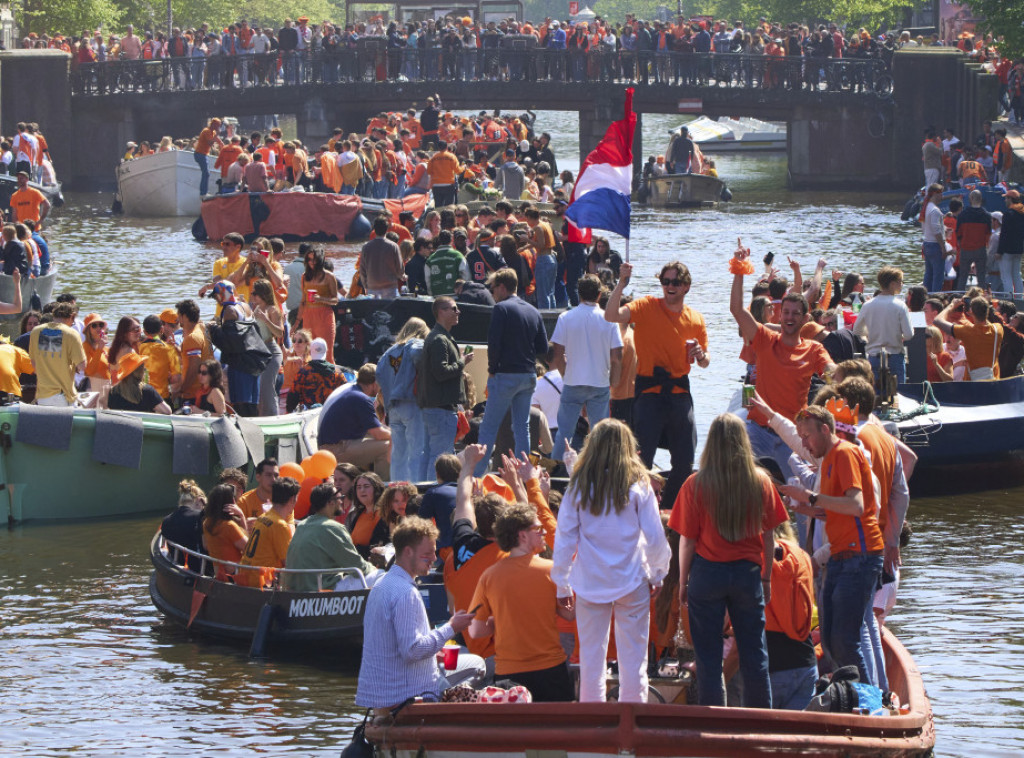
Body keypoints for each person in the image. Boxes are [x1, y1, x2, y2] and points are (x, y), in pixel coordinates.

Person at [672, 414, 787, 708]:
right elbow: (769, 537)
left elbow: (687, 541)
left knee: (708, 657)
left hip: (707, 574)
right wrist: (766, 578)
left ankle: (714, 722)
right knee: (755, 654)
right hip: (748, 575)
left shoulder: (695, 484)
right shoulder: (760, 482)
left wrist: (683, 582)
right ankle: (760, 721)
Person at [551, 418, 670, 702]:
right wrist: (658, 573)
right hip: (632, 580)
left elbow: (565, 539)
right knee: (635, 661)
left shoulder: (578, 486)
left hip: (590, 583)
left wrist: (562, 585)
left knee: (591, 661)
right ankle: (633, 719)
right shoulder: (639, 484)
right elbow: (655, 537)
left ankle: (594, 720)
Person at [780, 405, 885, 684]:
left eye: (807, 436)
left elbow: (856, 505)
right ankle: (852, 692)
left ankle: (869, 698)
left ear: (825, 430)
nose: (804, 444)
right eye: (801, 438)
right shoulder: (827, 460)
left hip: (860, 555)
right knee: (828, 637)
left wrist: (810, 496)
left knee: (845, 639)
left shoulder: (844, 453)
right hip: (840, 554)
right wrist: (801, 507)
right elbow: (834, 512)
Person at [605, 261, 709, 509]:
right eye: (665, 282)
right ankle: (635, 506)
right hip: (649, 393)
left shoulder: (696, 318)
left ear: (686, 286)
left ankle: (669, 509)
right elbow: (611, 315)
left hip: (679, 392)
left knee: (685, 459)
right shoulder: (646, 306)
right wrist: (621, 283)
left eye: (675, 282)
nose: (669, 286)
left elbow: (705, 362)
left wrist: (701, 354)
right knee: (642, 457)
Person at [355, 517, 485, 708]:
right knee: (479, 665)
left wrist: (435, 651)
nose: (434, 558)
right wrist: (451, 627)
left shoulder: (380, 585)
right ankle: (439, 711)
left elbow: (398, 645)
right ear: (408, 551)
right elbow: (412, 651)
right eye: (428, 554)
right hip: (404, 694)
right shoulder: (406, 593)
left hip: (379, 692)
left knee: (471, 663)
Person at [729, 243, 832, 479]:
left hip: (794, 435)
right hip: (759, 432)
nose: (789, 317)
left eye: (795, 313)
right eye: (786, 312)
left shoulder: (813, 349)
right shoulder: (765, 338)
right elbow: (736, 309)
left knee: (800, 489)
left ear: (805, 318)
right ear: (780, 314)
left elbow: (830, 370)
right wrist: (739, 268)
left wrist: (836, 375)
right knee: (747, 483)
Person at [469, 501, 574, 702]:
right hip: (551, 671)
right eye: (538, 529)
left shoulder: (489, 576)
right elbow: (569, 613)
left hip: (508, 673)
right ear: (522, 535)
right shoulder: (553, 571)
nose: (544, 532)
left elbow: (475, 630)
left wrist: (499, 620)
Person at [474, 268, 549, 476]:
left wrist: (492, 370)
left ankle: (476, 476)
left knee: (488, 428)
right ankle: (524, 474)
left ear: (501, 287)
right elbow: (543, 347)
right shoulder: (533, 311)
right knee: (522, 427)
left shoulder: (501, 309)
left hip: (505, 375)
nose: (492, 294)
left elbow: (494, 343)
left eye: (492, 289)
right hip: (528, 374)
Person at [549, 274, 623, 462]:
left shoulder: (565, 317)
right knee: (601, 433)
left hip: (573, 382)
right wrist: (613, 381)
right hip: (600, 383)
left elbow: (557, 356)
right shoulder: (609, 320)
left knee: (564, 433)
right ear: (599, 295)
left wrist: (566, 375)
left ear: (579, 294)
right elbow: (616, 357)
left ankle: (556, 468)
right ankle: (602, 467)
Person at [285, 483, 380, 591]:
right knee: (380, 575)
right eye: (340, 498)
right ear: (330, 502)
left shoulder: (302, 525)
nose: (341, 502)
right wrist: (374, 568)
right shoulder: (333, 528)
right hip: (324, 588)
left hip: (297, 590)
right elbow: (356, 565)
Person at [419, 297, 471, 479]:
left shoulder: (438, 337)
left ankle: (425, 490)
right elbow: (441, 372)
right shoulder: (440, 340)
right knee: (440, 457)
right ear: (441, 312)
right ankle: (435, 490)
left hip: (434, 408)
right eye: (454, 309)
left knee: (429, 456)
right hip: (441, 409)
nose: (458, 312)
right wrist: (462, 362)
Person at [377, 318, 428, 483]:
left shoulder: (388, 352)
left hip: (393, 407)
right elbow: (418, 353)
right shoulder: (416, 343)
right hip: (411, 402)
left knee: (398, 454)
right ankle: (416, 487)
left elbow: (378, 374)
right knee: (417, 450)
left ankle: (396, 488)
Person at [318, 363, 391, 478]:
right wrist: (397, 435)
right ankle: (382, 485)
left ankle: (363, 478)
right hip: (336, 450)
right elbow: (378, 434)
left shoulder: (351, 392)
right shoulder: (361, 399)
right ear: (375, 383)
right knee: (387, 446)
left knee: (379, 440)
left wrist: (390, 431)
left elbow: (375, 428)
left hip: (331, 447)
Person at [852, 266, 914, 386]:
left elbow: (857, 330)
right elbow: (909, 334)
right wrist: (898, 335)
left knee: (875, 392)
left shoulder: (867, 305)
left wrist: (872, 332)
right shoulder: (900, 306)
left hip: (874, 356)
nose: (902, 284)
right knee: (898, 392)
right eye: (900, 281)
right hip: (895, 355)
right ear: (892, 284)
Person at [237, 476, 302, 588]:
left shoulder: (263, 516)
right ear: (292, 499)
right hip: (259, 584)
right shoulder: (279, 525)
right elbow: (289, 563)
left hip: (245, 577)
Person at [29, 300, 86, 406]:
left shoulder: (36, 331)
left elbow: (34, 363)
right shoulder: (71, 334)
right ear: (72, 316)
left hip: (43, 396)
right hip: (64, 395)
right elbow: (82, 366)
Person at [933, 296, 1002, 380]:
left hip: (972, 382)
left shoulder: (967, 331)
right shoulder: (998, 329)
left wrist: (951, 305)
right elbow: (985, 322)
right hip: (993, 380)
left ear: (970, 312)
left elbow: (937, 320)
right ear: (987, 310)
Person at [296, 245, 340, 364]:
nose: (312, 262)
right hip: (308, 316)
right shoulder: (305, 276)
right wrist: (296, 323)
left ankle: (331, 375)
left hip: (324, 315)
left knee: (327, 353)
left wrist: (321, 299)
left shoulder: (329, 276)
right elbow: (303, 301)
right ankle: (312, 375)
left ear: (321, 260)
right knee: (308, 353)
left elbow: (335, 300)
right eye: (309, 259)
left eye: (315, 259)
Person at [249, 280, 284, 417]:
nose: (252, 295)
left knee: (267, 388)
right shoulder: (257, 308)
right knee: (259, 389)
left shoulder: (272, 309)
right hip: (259, 352)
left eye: (255, 293)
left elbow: (280, 333)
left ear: (263, 294)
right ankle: (261, 416)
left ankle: (273, 417)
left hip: (271, 351)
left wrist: (266, 320)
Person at [416, 454, 460, 559]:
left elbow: (420, 525)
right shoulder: (470, 490)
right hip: (472, 549)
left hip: (447, 551)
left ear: (437, 474)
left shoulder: (433, 493)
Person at [201, 483, 250, 577]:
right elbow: (249, 549)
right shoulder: (229, 526)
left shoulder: (206, 523)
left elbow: (205, 545)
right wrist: (241, 515)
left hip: (218, 574)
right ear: (231, 502)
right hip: (235, 576)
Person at [104, 353, 171, 414]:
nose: (145, 369)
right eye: (143, 368)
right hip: (141, 423)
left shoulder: (113, 391)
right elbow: (167, 411)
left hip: (120, 423)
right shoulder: (147, 390)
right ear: (140, 371)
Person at [175, 298, 212, 407]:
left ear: (184, 317)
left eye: (179, 315)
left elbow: (194, 367)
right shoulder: (202, 327)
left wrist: (182, 389)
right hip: (206, 388)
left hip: (194, 393)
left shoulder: (192, 338)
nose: (177, 319)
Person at [955, 189, 992, 292]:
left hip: (965, 248)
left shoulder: (962, 215)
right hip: (980, 249)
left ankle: (959, 296)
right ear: (981, 199)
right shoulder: (987, 215)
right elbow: (988, 234)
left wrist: (961, 244)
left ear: (971, 199)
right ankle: (981, 298)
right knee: (981, 277)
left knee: (962, 277)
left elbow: (958, 233)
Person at [138, 314, 181, 403]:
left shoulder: (139, 348)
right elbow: (176, 378)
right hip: (162, 397)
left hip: (143, 395)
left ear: (145, 332)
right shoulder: (169, 349)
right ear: (162, 329)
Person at [360, 216, 405, 297]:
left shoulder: (366, 247)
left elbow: (362, 270)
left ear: (374, 229)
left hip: (372, 287)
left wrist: (366, 286)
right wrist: (403, 277)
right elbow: (400, 270)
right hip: (390, 287)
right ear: (387, 229)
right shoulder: (393, 246)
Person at [425, 230, 470, 296]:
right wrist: (463, 291)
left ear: (439, 240)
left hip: (437, 297)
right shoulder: (458, 256)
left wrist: (431, 294)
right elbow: (466, 275)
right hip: (455, 296)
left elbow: (428, 280)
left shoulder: (430, 259)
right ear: (451, 240)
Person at [998, 189, 1024, 297]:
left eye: (1006, 198)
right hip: (1019, 249)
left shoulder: (1008, 214)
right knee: (1017, 275)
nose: (1005, 200)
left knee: (1006, 276)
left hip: (1007, 250)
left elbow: (1004, 234)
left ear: (1010, 199)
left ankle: (1009, 299)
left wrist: (999, 251)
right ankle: (1020, 298)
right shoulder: (1022, 213)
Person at [921, 183, 946, 293]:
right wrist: (943, 247)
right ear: (935, 194)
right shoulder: (935, 210)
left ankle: (926, 295)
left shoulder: (927, 207)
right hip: (935, 245)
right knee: (938, 276)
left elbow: (924, 227)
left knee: (928, 274)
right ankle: (935, 296)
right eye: (941, 194)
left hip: (927, 243)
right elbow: (936, 230)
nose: (942, 196)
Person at [194, 117, 223, 196]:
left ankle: (203, 192)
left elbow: (219, 141)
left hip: (203, 154)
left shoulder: (212, 132)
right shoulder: (207, 131)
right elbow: (210, 143)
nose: (219, 127)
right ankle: (203, 193)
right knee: (206, 173)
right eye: (218, 125)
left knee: (206, 173)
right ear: (213, 124)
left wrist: (223, 146)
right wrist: (217, 134)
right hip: (200, 154)